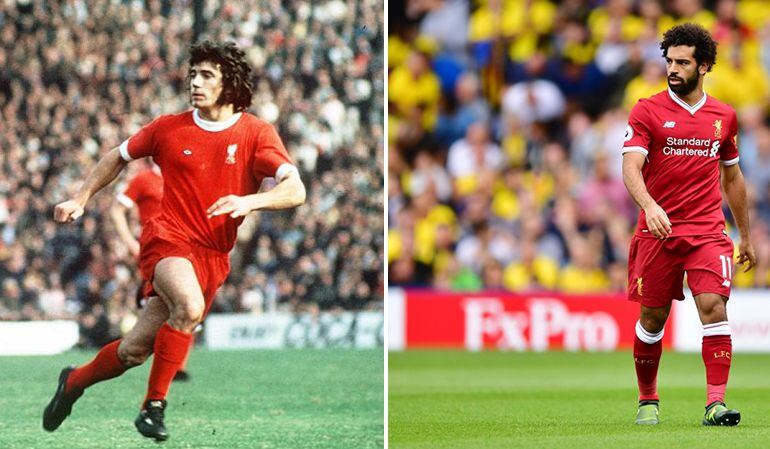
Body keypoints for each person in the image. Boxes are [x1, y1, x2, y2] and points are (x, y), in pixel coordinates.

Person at [43, 40, 306, 441]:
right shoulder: (168, 127)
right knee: (189, 305)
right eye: (193, 75)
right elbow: (117, 155)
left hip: (213, 256)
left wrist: (251, 200)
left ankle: (74, 382)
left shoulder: (256, 133)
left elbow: (295, 190)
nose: (195, 83)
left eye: (206, 76)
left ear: (229, 84)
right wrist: (81, 197)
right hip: (167, 240)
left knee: (134, 350)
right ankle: (154, 407)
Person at [622, 23, 755, 426]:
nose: (673, 69)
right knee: (652, 319)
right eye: (669, 61)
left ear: (704, 66)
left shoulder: (724, 117)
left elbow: (732, 177)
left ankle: (715, 403)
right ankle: (648, 399)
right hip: (658, 231)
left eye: (682, 62)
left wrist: (745, 234)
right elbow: (630, 167)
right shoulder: (646, 109)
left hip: (707, 232)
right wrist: (650, 206)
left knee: (714, 307)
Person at [110, 162, 193, 382]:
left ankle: (176, 365)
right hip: (154, 251)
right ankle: (153, 356)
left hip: (183, 251)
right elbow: (117, 210)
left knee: (187, 304)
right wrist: (130, 242)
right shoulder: (143, 179)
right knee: (165, 303)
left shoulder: (184, 175)